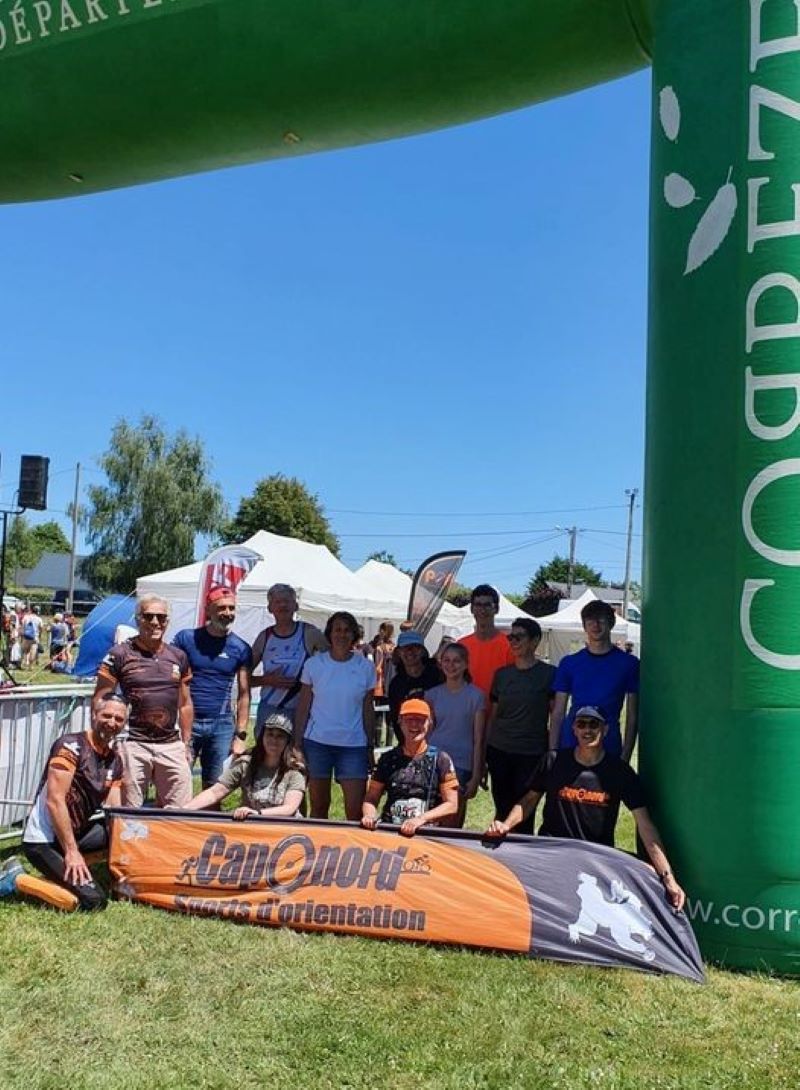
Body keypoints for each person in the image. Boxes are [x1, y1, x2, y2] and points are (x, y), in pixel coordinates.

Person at [485, 706, 686, 910]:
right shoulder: (553, 761)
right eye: (581, 724)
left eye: (593, 724)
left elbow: (645, 825)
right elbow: (529, 801)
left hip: (594, 860)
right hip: (552, 852)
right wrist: (505, 825)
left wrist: (667, 877)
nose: (587, 730)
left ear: (605, 730)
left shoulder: (620, 772)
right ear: (574, 729)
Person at [0, 694, 129, 911]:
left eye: (119, 719)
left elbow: (114, 811)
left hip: (74, 832)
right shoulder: (70, 746)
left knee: (118, 834)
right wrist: (71, 851)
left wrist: (127, 860)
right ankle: (15, 879)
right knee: (93, 901)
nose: (112, 722)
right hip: (44, 839)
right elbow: (55, 801)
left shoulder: (115, 760)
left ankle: (66, 873)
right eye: (107, 715)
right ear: (94, 715)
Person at [93, 594, 194, 808]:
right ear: (138, 619)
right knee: (129, 812)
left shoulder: (179, 656)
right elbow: (100, 698)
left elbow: (185, 704)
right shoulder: (119, 654)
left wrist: (186, 744)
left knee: (180, 811)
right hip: (133, 744)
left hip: (170, 745)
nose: (155, 622)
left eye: (161, 617)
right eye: (149, 616)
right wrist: (101, 739)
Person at [294, 610, 376, 820]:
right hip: (317, 743)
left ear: (354, 635)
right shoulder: (314, 665)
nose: (342, 634)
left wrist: (370, 745)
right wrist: (297, 744)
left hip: (353, 745)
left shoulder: (366, 667)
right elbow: (303, 706)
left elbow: (368, 709)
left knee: (355, 810)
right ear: (329, 633)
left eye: (347, 630)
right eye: (337, 629)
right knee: (319, 807)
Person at [172, 585, 252, 790]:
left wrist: (240, 736)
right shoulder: (186, 639)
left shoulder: (241, 648)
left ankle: (206, 822)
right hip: (187, 722)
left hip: (221, 725)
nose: (227, 613)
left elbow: (244, 695)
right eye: (222, 608)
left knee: (215, 787)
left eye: (231, 608)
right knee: (177, 783)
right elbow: (170, 677)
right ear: (208, 609)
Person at [487, 617, 555, 834]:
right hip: (499, 751)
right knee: (502, 809)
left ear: (535, 641)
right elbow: (494, 716)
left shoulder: (549, 674)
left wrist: (553, 753)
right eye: (511, 637)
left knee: (525, 812)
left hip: (531, 754)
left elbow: (556, 715)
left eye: (519, 637)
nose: (513, 641)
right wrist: (485, 754)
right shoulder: (501, 675)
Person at [549, 599, 639, 761]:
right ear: (584, 626)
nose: (595, 625)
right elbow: (558, 712)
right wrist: (553, 750)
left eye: (601, 620)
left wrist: (625, 755)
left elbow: (632, 715)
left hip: (608, 745)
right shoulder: (569, 663)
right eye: (590, 621)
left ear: (611, 624)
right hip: (572, 744)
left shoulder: (629, 664)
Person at [361, 698, 459, 836]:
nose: (414, 724)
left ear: (429, 723)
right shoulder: (387, 759)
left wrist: (421, 819)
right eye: (409, 719)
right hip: (391, 832)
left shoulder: (441, 759)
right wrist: (369, 815)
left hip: (426, 834)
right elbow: (371, 798)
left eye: (420, 720)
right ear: (400, 722)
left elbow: (452, 805)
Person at [185, 710, 306, 818]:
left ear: (288, 741)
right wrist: (184, 810)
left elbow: (290, 808)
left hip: (285, 830)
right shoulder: (245, 765)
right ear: (262, 737)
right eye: (270, 734)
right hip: (251, 829)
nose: (274, 740)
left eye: (280, 736)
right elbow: (215, 792)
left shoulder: (295, 771)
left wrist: (257, 814)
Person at [250, 583, 327, 734]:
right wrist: (266, 680)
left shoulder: (310, 633)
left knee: (298, 755)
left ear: (296, 606)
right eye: (278, 602)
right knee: (266, 756)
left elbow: (332, 666)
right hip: (269, 709)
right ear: (270, 608)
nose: (283, 605)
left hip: (302, 710)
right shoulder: (264, 637)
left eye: (287, 601)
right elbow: (244, 678)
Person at [425, 643, 485, 827]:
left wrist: (476, 776)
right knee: (429, 818)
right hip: (433, 761)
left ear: (466, 664)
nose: (451, 665)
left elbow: (479, 739)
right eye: (447, 660)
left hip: (461, 764)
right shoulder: (432, 695)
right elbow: (425, 733)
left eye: (457, 661)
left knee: (452, 822)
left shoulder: (476, 696)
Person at [458, 584, 514, 704]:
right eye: (478, 605)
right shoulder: (461, 645)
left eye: (488, 605)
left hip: (498, 715)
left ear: (496, 609)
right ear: (472, 609)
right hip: (468, 713)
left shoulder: (509, 646)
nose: (482, 610)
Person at [386, 629, 443, 741]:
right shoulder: (396, 684)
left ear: (422, 651)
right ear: (398, 652)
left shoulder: (438, 676)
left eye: (414, 647)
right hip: (410, 745)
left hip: (439, 742)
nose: (410, 652)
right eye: (405, 648)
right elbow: (396, 719)